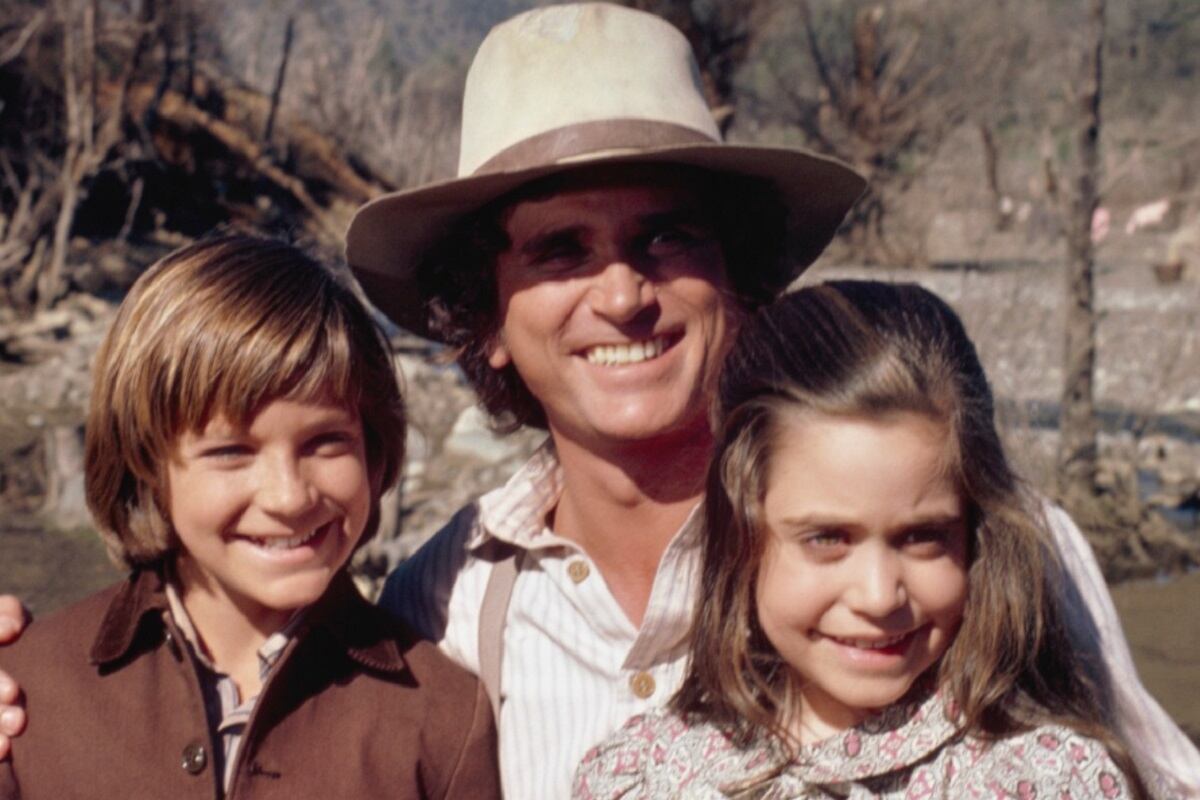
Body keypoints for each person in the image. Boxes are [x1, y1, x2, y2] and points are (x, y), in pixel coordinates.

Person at [0, 4, 1196, 798]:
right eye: (559, 251)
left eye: (667, 236)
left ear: (737, 274)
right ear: (488, 317)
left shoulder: (980, 545)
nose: (621, 293)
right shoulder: (449, 596)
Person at [574, 280, 1151, 798]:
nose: (879, 597)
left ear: (976, 537)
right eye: (827, 538)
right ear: (742, 536)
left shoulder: (1046, 782)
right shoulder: (643, 780)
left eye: (922, 537)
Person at [0, 236, 499, 799]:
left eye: (326, 443)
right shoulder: (29, 692)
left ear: (375, 452)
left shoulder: (445, 722)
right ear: (146, 464)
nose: (288, 497)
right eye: (231, 452)